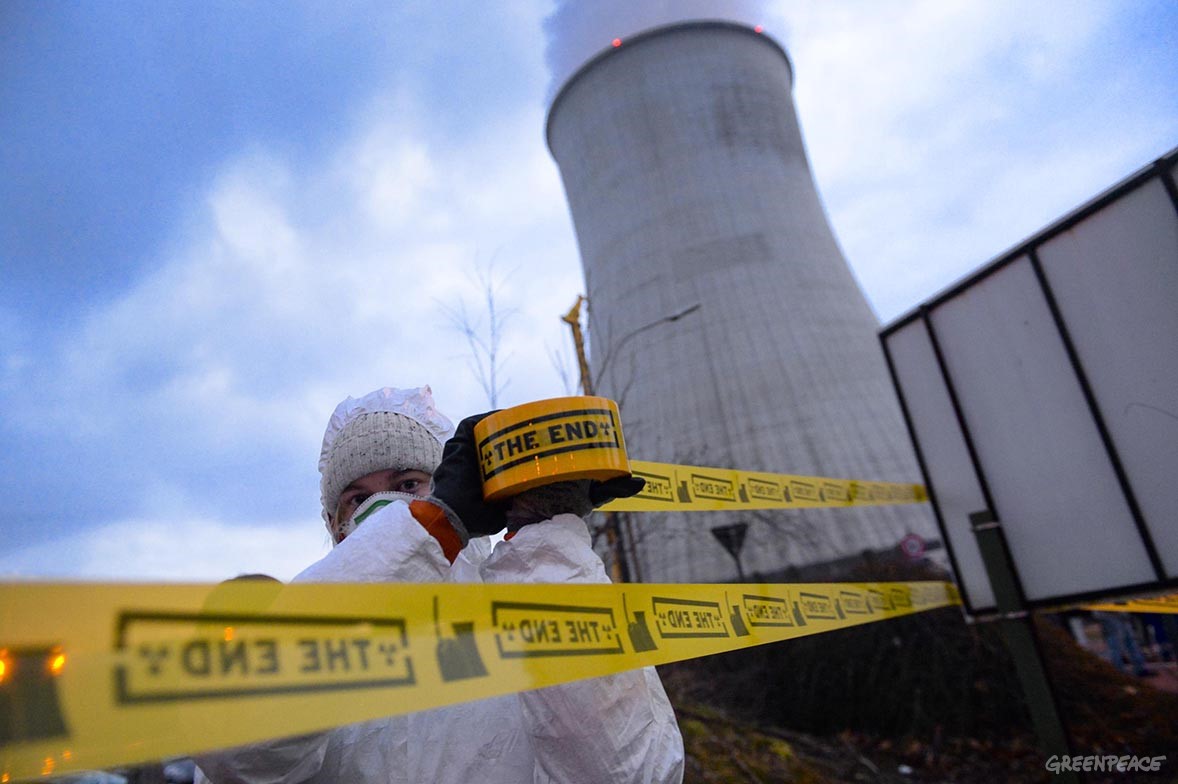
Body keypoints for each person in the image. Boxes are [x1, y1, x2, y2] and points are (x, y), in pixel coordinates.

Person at [194, 386, 684, 783]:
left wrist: (547, 543)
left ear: (463, 490)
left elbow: (626, 771)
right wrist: (418, 536)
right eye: (356, 498)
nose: (385, 508)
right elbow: (235, 754)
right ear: (336, 525)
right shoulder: (307, 645)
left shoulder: (519, 616)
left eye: (409, 485)